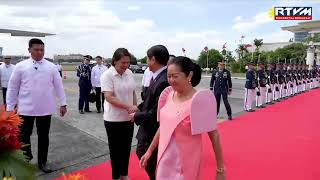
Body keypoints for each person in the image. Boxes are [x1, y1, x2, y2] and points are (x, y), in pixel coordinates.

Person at [139, 56, 226, 180]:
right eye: (169, 76)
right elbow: (164, 127)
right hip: (164, 161)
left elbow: (214, 135)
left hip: (185, 165)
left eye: (175, 76)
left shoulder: (200, 101)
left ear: (189, 75)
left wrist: (220, 169)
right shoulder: (168, 94)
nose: (171, 80)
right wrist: (149, 151)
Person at [6, 38, 67, 173]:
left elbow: (59, 86)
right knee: (23, 137)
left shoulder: (51, 67)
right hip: (25, 110)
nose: (40, 52)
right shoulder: (20, 66)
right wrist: (10, 108)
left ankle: (42, 162)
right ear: (29, 50)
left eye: (42, 50)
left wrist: (63, 103)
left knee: (43, 137)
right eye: (36, 49)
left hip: (45, 110)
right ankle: (26, 159)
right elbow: (12, 88)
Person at [129, 45, 170, 180]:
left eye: (147, 58)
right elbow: (150, 100)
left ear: (152, 59)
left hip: (153, 129)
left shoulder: (163, 80)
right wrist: (139, 107)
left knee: (144, 153)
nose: (146, 62)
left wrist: (136, 115)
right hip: (150, 125)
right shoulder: (158, 76)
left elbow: (155, 111)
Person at [101, 48, 137, 180]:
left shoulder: (129, 73)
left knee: (126, 149)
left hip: (128, 118)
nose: (126, 65)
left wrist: (135, 110)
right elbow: (109, 97)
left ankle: (124, 174)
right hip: (113, 120)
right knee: (115, 151)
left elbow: (132, 92)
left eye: (128, 62)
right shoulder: (107, 75)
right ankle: (115, 176)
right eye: (123, 62)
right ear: (115, 61)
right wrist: (129, 107)